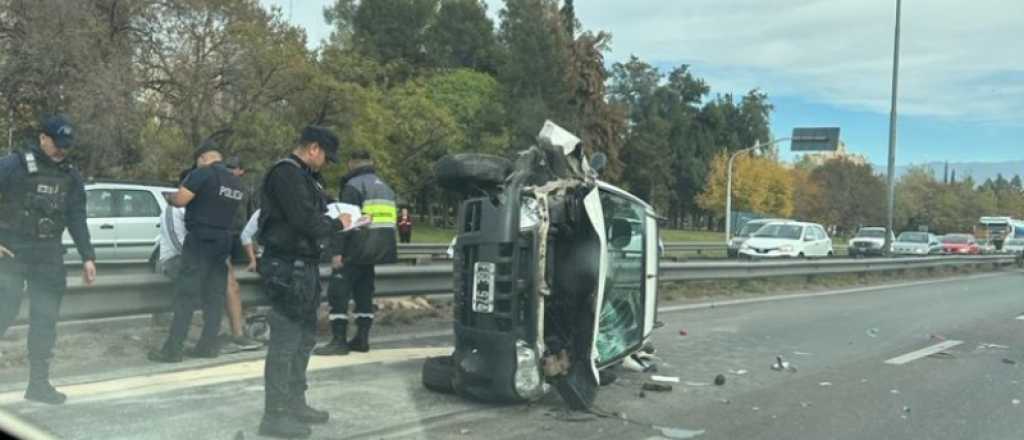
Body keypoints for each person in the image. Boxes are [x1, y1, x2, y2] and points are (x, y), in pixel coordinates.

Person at [0, 115, 97, 404]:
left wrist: (88, 256)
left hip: (48, 253)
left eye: (66, 146)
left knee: (45, 320)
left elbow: (77, 217)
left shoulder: (70, 175)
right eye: (57, 144)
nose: (61, 151)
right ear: (43, 138)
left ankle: (38, 385)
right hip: (12, 251)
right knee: (3, 313)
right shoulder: (12, 165)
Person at [256, 125, 346, 438]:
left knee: (305, 338)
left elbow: (310, 218)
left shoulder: (305, 177)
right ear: (313, 149)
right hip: (286, 267)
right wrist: (338, 223)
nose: (324, 163)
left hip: (302, 267)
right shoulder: (287, 174)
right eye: (325, 156)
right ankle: (275, 414)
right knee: (286, 340)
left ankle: (295, 402)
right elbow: (303, 220)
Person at [148, 142, 244, 362]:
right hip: (223, 241)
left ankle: (172, 350)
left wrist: (170, 197)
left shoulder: (202, 173)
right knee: (215, 297)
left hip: (200, 240)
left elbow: (181, 199)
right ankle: (208, 347)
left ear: (202, 158)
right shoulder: (235, 182)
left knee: (186, 297)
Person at [157, 168, 261, 353]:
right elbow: (176, 241)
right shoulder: (175, 208)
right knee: (214, 285)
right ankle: (180, 346)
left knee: (218, 289)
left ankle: (210, 343)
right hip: (177, 258)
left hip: (198, 255)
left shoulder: (201, 206)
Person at [315, 149, 397, 356]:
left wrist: (337, 252)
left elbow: (347, 221)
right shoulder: (385, 187)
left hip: (355, 248)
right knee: (364, 293)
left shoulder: (353, 186)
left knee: (338, 293)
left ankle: (339, 341)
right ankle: (362, 339)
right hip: (378, 249)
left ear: (352, 163)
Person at [223, 157, 262, 351]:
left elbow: (252, 215)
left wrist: (252, 249)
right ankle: (238, 327)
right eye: (228, 168)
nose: (230, 171)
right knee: (230, 284)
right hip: (225, 237)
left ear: (241, 171)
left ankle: (245, 324)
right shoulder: (222, 187)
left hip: (240, 239)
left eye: (234, 169)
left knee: (242, 284)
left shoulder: (247, 190)